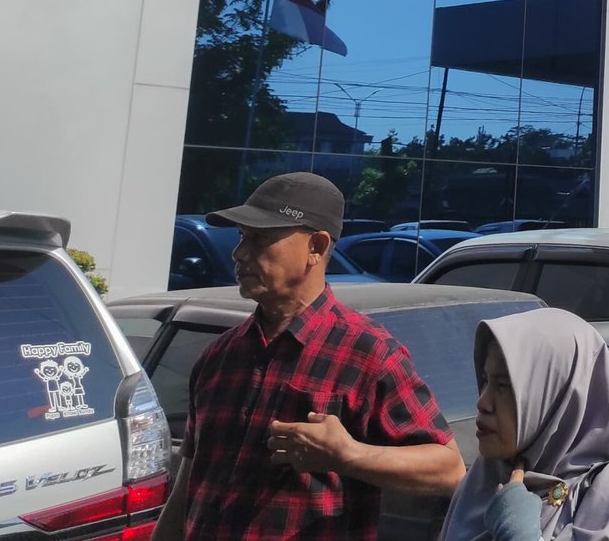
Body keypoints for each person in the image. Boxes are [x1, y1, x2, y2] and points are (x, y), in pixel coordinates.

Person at [154, 173, 466, 540]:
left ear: (316, 247)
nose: (239, 253)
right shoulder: (219, 357)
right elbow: (189, 483)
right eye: (241, 236)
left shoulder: (369, 353)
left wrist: (349, 455)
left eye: (259, 238)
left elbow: (450, 469)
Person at [441, 310, 609, 541]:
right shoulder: (481, 479)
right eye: (486, 380)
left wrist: (519, 536)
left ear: (557, 397)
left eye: (504, 385)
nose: (483, 402)